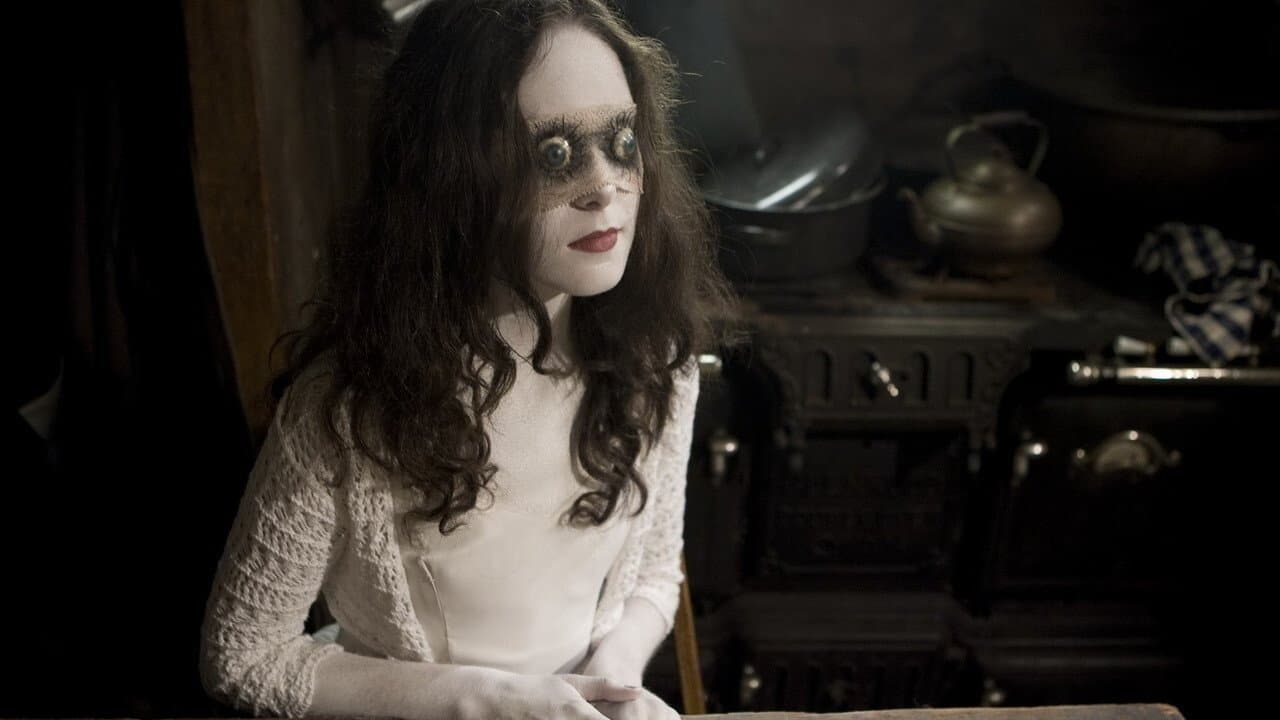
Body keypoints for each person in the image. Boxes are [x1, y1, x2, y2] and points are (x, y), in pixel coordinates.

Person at [197, 1, 743, 718]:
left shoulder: (656, 366)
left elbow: (653, 577)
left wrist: (611, 682)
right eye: (554, 154)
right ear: (451, 173)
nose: (605, 187)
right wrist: (488, 699)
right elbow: (242, 654)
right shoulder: (349, 412)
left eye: (621, 140)